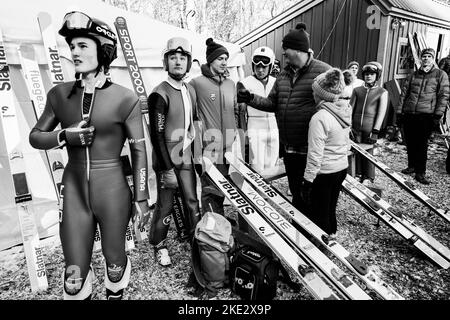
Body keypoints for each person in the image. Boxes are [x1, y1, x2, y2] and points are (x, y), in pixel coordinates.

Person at [29, 11, 150, 300]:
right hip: (73, 193)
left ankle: (115, 291)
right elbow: (35, 137)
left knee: (116, 266)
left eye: (83, 45)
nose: (74, 52)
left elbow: (139, 149)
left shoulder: (125, 98)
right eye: (72, 46)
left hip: (113, 191)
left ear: (104, 50)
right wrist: (63, 135)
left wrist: (142, 199)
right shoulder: (59, 95)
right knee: (73, 275)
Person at [237, 23, 331, 211]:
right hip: (289, 148)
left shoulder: (323, 71)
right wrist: (250, 98)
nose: (284, 54)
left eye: (285, 49)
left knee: (315, 194)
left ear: (297, 49)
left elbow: (339, 103)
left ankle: (318, 232)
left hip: (311, 148)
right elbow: (273, 103)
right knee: (297, 193)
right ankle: (298, 230)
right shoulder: (283, 75)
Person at [147, 37, 201, 266]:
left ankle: (197, 241)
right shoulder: (159, 93)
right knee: (165, 205)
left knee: (191, 200)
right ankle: (159, 244)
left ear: (188, 62)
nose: (177, 62)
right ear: (166, 62)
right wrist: (167, 169)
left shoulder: (189, 89)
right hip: (166, 157)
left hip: (185, 154)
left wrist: (198, 156)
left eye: (182, 58)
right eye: (173, 57)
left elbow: (194, 123)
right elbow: (156, 135)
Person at [299, 68, 351, 238]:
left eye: (315, 92)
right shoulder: (343, 110)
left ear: (321, 95)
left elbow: (315, 154)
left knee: (319, 211)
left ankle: (322, 249)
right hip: (341, 168)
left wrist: (307, 181)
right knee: (330, 206)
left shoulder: (320, 117)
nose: (313, 95)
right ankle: (333, 234)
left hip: (325, 172)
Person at [190, 38, 238, 215]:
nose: (224, 62)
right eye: (220, 58)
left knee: (224, 186)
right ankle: (212, 228)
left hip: (229, 146)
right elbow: (190, 114)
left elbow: (234, 111)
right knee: (210, 188)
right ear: (210, 60)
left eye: (226, 58)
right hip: (209, 147)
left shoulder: (230, 84)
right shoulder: (196, 83)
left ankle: (220, 223)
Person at [396, 48, 449, 184]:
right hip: (410, 114)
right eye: (424, 56)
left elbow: (443, 95)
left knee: (421, 144)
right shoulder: (413, 75)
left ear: (433, 59)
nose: (426, 58)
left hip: (426, 115)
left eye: (429, 56)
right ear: (421, 59)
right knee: (410, 141)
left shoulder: (440, 75)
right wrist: (399, 112)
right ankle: (412, 166)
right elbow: (404, 94)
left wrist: (437, 115)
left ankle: (420, 172)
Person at [237, 46, 279, 172]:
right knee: (257, 167)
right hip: (255, 129)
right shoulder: (245, 83)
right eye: (257, 66)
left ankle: (269, 191)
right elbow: (241, 112)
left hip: (274, 128)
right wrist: (243, 133)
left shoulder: (276, 82)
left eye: (264, 67)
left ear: (270, 66)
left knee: (272, 167)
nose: (260, 70)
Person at [350, 61, 388, 183]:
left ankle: (368, 176)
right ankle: (357, 173)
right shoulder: (357, 90)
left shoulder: (382, 92)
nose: (368, 76)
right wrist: (349, 126)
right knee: (355, 150)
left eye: (372, 74)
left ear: (377, 76)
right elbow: (350, 109)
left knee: (368, 152)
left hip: (370, 127)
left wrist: (375, 131)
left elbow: (381, 113)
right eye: (366, 74)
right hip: (355, 127)